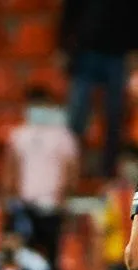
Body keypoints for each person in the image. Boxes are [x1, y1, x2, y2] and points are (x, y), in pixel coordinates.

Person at [0, 86, 79, 270]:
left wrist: (64, 200)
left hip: (52, 208)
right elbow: (10, 170)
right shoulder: (19, 135)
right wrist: (8, 202)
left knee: (52, 260)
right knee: (24, 260)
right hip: (25, 207)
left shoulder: (63, 136)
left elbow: (71, 171)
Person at [59, 0, 137, 177]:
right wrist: (63, 47)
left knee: (115, 116)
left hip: (117, 55)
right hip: (85, 53)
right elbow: (70, 11)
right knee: (76, 118)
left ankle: (108, 171)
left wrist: (134, 50)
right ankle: (72, 170)